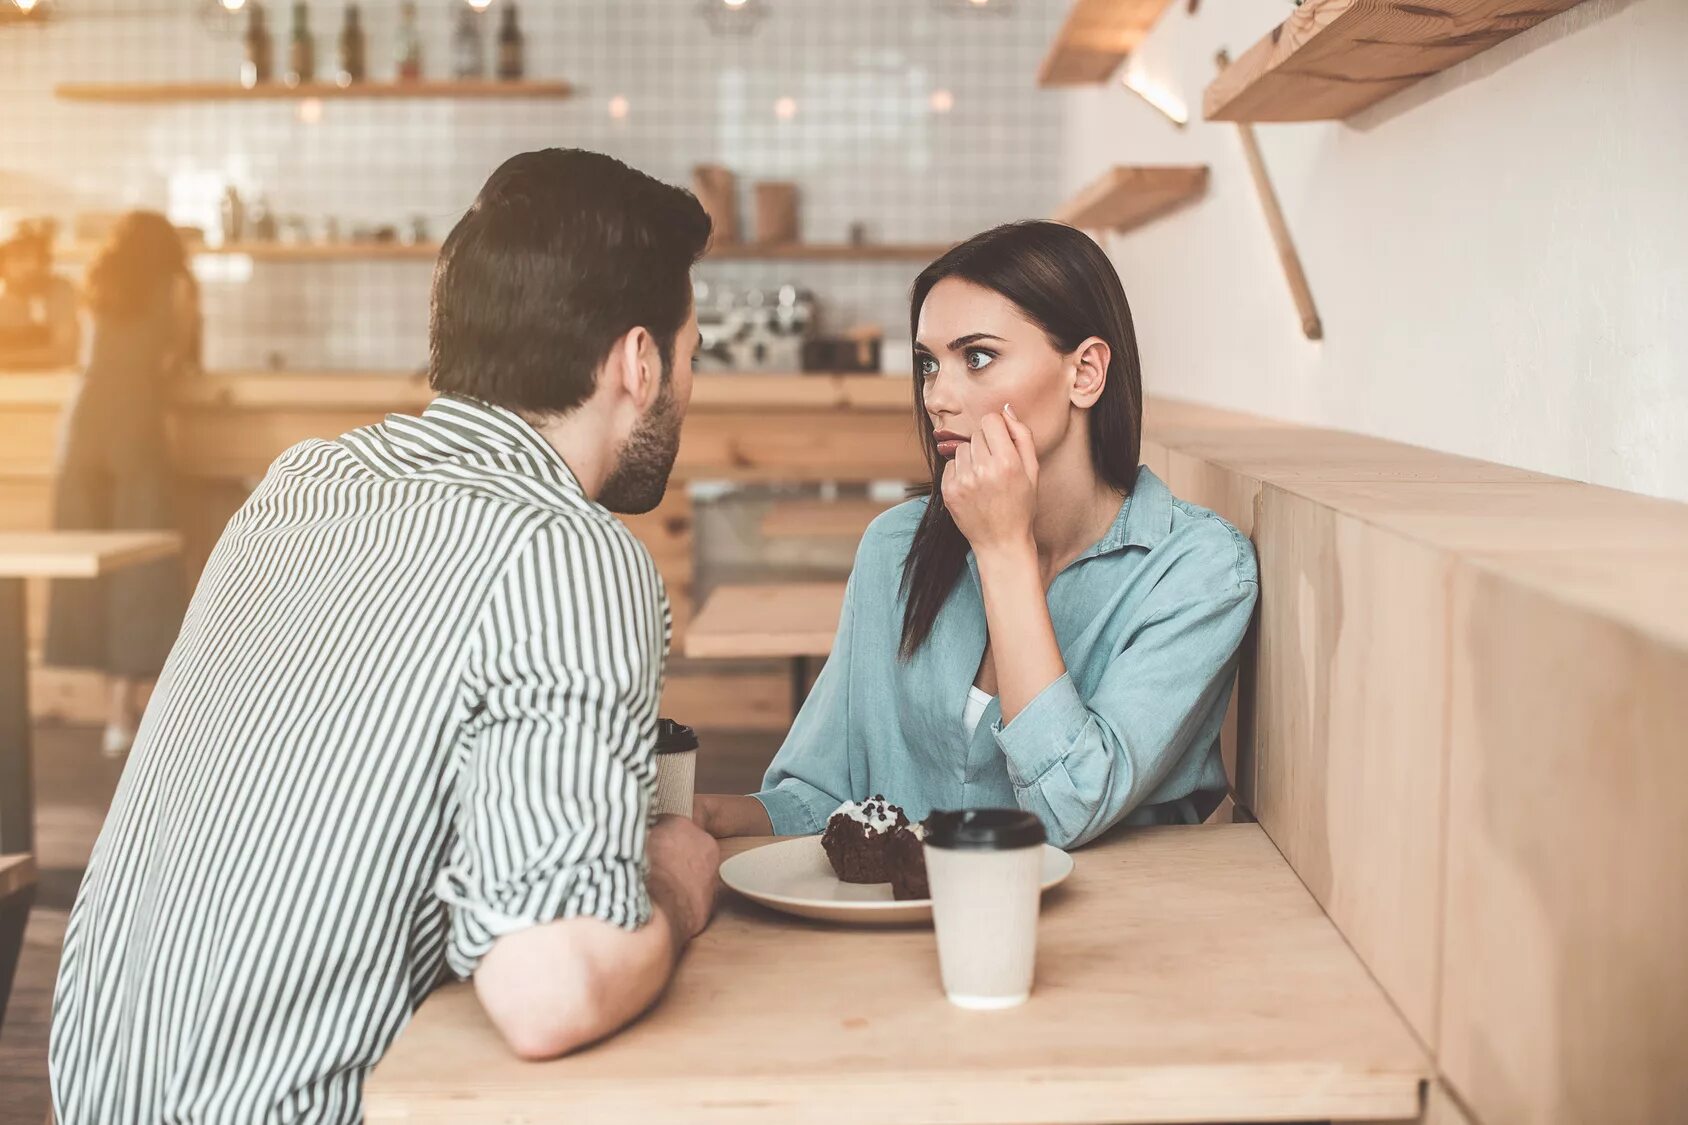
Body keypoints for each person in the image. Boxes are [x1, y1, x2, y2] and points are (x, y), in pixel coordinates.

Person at [50, 149, 721, 1124]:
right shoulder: (564, 547)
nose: (687, 393)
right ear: (638, 362)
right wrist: (675, 877)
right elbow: (550, 989)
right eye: (692, 357)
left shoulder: (300, 486)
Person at [695, 221, 1259, 849]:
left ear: (1086, 373)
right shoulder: (895, 548)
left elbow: (1070, 807)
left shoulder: (1197, 569)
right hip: (908, 934)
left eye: (979, 357)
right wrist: (710, 819)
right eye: (928, 364)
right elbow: (824, 797)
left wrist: (1002, 550)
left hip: (1107, 938)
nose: (938, 395)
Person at [41, 212, 198, 756]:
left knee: (93, 564)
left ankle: (113, 713)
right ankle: (124, 720)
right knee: (142, 566)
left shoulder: (97, 279)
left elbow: (76, 352)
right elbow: (177, 356)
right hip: (136, 423)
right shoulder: (175, 286)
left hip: (83, 426)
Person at [0, 224, 80, 370]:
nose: (21, 266)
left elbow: (64, 353)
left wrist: (8, 358)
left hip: (53, 386)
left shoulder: (60, 291)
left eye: (26, 257)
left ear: (43, 262)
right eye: (14, 257)